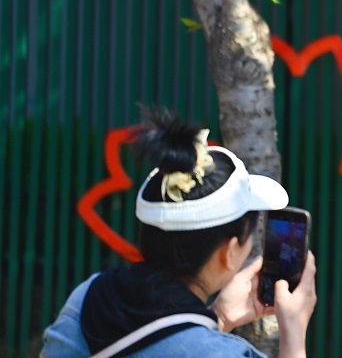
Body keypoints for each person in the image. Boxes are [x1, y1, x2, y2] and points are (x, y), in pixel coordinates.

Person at [41, 109, 317, 358]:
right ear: (230, 252)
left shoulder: (86, 298)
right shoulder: (226, 354)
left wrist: (218, 317)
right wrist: (294, 334)